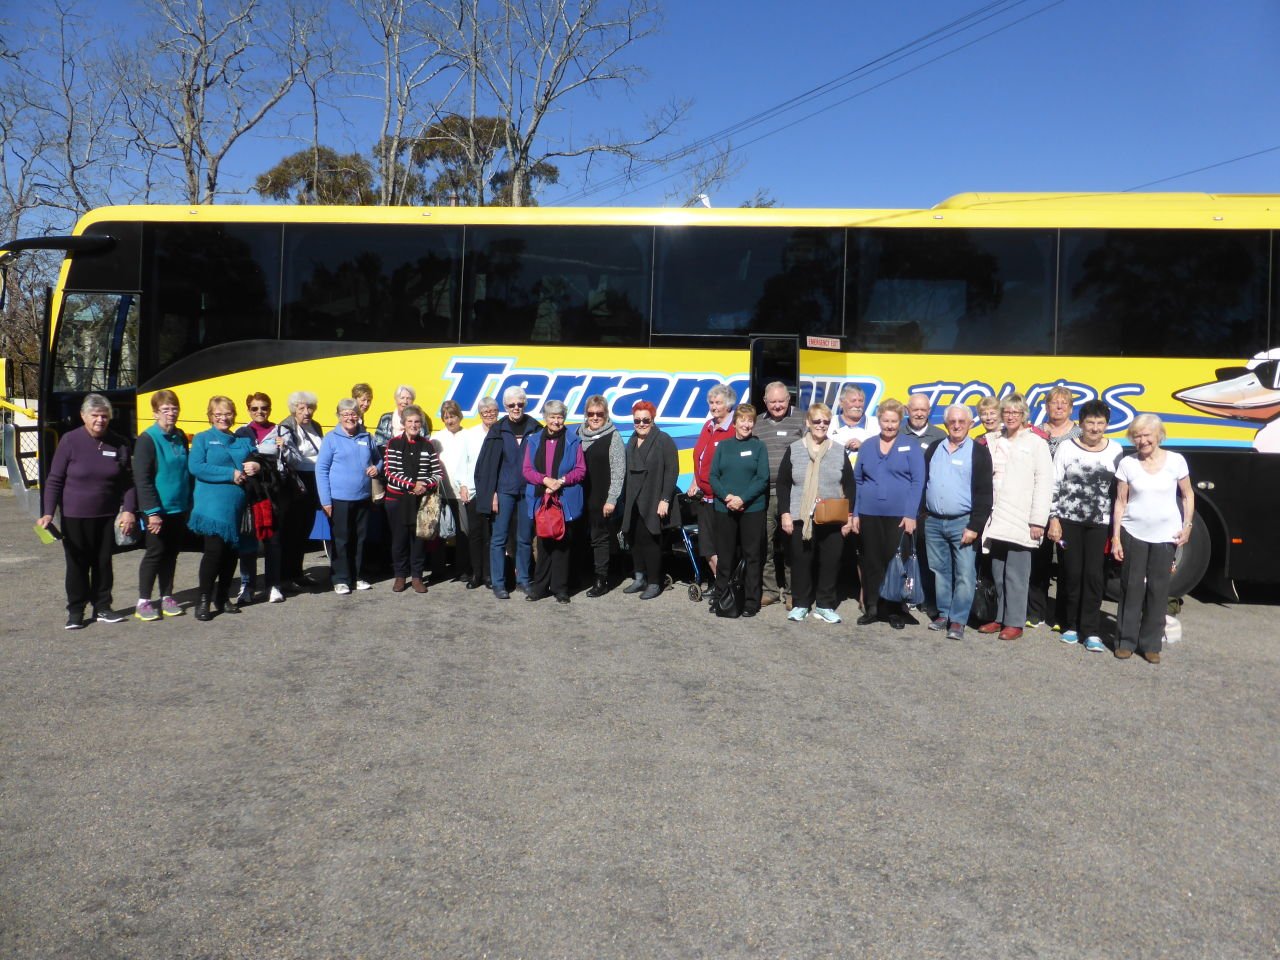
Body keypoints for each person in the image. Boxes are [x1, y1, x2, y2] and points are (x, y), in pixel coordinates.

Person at [39, 394, 137, 629]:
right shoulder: (70, 441)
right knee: (77, 564)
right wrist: (48, 512)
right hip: (75, 516)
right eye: (95, 415)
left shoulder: (119, 442)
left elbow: (128, 482)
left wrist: (129, 511)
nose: (100, 420)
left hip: (106, 515)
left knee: (103, 563)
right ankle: (76, 611)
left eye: (104, 416)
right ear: (83, 416)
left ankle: (103, 607)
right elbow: (55, 479)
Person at [1112, 414, 1194, 664]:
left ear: (1159, 435)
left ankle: (1150, 644)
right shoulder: (1127, 464)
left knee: (1158, 590)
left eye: (1147, 435)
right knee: (1131, 587)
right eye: (1137, 436)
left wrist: (1187, 525)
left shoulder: (1176, 461)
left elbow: (1187, 495)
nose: (1142, 440)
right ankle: (1125, 641)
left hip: (1165, 535)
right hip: (1133, 532)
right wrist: (1116, 537)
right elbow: (1120, 502)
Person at [1047, 399, 1123, 653]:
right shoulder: (1066, 448)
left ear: (1106, 425)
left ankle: (1091, 630)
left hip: (1099, 524)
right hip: (1069, 523)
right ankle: (1070, 625)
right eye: (1090, 422)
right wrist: (1054, 518)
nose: (1094, 428)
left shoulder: (1116, 450)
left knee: (1094, 576)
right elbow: (1054, 484)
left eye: (1100, 423)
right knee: (1071, 573)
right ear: (1081, 424)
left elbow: (1120, 493)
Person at [978, 394, 1053, 641]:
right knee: (998, 572)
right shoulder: (992, 440)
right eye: (1006, 412)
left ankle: (1015, 622)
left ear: (1024, 416)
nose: (1010, 416)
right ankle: (1000, 618)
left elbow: (1044, 482)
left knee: (1017, 574)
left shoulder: (1036, 443)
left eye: (1015, 413)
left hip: (1022, 517)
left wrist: (1038, 520)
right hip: (996, 515)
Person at [776, 402, 856, 624]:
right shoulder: (794, 449)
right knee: (801, 563)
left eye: (826, 421)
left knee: (830, 563)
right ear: (808, 423)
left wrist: (849, 516)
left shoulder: (839, 450)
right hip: (801, 517)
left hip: (832, 517)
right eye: (817, 421)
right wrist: (784, 513)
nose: (821, 425)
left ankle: (825, 605)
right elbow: (783, 484)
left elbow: (849, 485)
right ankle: (801, 604)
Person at [851, 399, 926, 630]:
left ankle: (894, 610)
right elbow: (858, 480)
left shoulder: (910, 445)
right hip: (869, 513)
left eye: (894, 421)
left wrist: (911, 514)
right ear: (879, 420)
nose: (890, 425)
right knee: (871, 561)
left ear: (900, 421)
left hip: (899, 516)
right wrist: (855, 513)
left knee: (895, 562)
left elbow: (917, 481)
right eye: (886, 420)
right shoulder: (867, 445)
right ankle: (872, 608)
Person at [921, 405, 993, 640]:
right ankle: (943, 613)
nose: (957, 425)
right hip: (933, 521)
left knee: (964, 573)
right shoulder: (934, 449)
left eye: (962, 421)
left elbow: (984, 494)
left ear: (971, 423)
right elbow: (924, 483)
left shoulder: (979, 453)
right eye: (952, 421)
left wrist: (975, 526)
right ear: (946, 424)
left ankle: (958, 619)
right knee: (940, 570)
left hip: (963, 522)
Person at [188, 396, 260, 621]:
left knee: (231, 553)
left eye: (227, 413)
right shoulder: (203, 439)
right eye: (218, 414)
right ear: (210, 416)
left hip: (236, 505)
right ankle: (203, 600)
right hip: (211, 505)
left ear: (234, 415)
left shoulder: (241, 440)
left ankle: (222, 597)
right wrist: (230, 474)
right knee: (214, 552)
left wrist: (256, 466)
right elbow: (196, 467)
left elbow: (256, 460)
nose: (223, 418)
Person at [476, 386, 542, 599]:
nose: (516, 408)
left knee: (524, 538)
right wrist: (491, 493)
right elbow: (486, 466)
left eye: (520, 404)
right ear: (505, 406)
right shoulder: (497, 430)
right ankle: (499, 583)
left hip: (528, 491)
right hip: (503, 492)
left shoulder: (535, 427)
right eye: (512, 405)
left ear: (525, 404)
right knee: (499, 538)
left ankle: (523, 580)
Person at [131, 390, 191, 621]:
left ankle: (167, 596)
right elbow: (142, 478)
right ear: (155, 413)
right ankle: (144, 601)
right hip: (157, 510)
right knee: (155, 553)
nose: (171, 413)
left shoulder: (180, 436)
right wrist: (152, 512)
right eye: (165, 410)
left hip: (179, 507)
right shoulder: (148, 439)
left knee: (171, 554)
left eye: (174, 408)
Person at [1029, 385, 1083, 628]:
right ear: (1046, 406)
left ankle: (1062, 616)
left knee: (1066, 563)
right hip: (1039, 502)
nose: (1059, 406)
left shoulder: (1081, 434)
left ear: (1071, 408)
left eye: (1064, 403)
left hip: (1068, 506)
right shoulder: (1036, 432)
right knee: (1037, 559)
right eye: (1054, 402)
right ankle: (1035, 612)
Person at [522, 399, 585, 603]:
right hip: (542, 498)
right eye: (552, 417)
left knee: (562, 545)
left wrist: (562, 481)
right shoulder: (533, 441)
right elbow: (527, 470)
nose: (556, 421)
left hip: (564, 499)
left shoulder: (573, 440)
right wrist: (545, 480)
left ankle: (560, 589)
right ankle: (539, 587)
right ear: (545, 418)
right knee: (543, 544)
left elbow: (580, 470)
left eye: (560, 417)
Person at [709, 403, 769, 617]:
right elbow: (713, 476)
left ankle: (751, 601)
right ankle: (721, 597)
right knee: (725, 556)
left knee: (752, 556)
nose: (746, 424)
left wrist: (742, 498)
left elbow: (762, 478)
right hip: (725, 508)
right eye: (742, 420)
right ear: (734, 423)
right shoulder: (723, 447)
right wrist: (727, 497)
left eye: (750, 420)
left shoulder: (759, 447)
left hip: (752, 509)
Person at [317, 397, 379, 595]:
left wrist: (376, 469)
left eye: (353, 414)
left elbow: (379, 460)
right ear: (339, 417)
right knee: (341, 540)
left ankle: (358, 576)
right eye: (345, 414)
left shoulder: (366, 437)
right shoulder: (331, 439)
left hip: (362, 497)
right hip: (339, 499)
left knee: (360, 539)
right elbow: (321, 470)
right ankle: (341, 578)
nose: (350, 417)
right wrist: (325, 500)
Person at [620, 400, 679, 600]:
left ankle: (654, 582)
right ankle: (639, 578)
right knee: (634, 539)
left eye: (646, 419)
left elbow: (672, 471)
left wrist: (665, 499)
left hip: (653, 497)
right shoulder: (631, 441)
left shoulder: (664, 440)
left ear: (653, 420)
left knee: (650, 541)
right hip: (633, 499)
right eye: (637, 420)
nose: (641, 423)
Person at [382, 404, 441, 593]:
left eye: (417, 421)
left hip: (421, 501)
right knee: (399, 540)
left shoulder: (427, 444)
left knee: (419, 541)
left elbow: (438, 473)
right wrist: (412, 485)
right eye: (410, 421)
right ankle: (400, 576)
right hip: (397, 500)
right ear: (404, 423)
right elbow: (390, 473)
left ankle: (417, 577)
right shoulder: (394, 443)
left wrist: (425, 485)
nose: (414, 425)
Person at [234, 391, 284, 605]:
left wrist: (266, 461)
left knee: (272, 542)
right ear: (248, 410)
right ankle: (247, 585)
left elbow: (283, 466)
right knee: (248, 542)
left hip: (271, 495)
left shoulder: (280, 432)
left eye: (264, 407)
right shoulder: (241, 433)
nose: (260, 411)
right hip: (249, 496)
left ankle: (273, 584)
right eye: (255, 408)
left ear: (270, 409)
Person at [757, 381, 804, 608]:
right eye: (772, 402)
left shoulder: (802, 419)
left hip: (793, 495)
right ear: (765, 402)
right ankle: (770, 590)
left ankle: (793, 592)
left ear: (789, 400)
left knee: (792, 546)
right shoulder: (757, 422)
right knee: (764, 545)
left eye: (781, 401)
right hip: (764, 495)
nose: (777, 405)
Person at [687, 383, 737, 592]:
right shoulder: (707, 425)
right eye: (711, 402)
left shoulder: (733, 429)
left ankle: (727, 585)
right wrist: (694, 481)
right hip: (704, 497)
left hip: (722, 498)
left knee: (723, 545)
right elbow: (699, 458)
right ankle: (720, 584)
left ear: (728, 405)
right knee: (707, 546)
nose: (713, 406)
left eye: (718, 402)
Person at [902, 392, 947, 618]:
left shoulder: (940, 435)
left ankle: (929, 599)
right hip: (901, 505)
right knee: (901, 552)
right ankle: (902, 596)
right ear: (907, 410)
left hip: (928, 508)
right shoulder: (897, 433)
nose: (919, 413)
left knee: (928, 555)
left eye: (924, 409)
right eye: (915, 409)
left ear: (929, 411)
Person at [276, 391, 325, 591]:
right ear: (294, 409)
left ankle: (298, 573)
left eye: (310, 407)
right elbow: (288, 457)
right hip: (296, 483)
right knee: (291, 530)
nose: (307, 412)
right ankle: (285, 577)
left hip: (314, 481)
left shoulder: (316, 426)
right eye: (302, 408)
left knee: (305, 528)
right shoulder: (286, 426)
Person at [578, 394, 625, 597]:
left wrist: (612, 499)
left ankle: (601, 579)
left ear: (606, 414)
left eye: (599, 414)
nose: (595, 417)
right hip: (580, 497)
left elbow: (618, 471)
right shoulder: (578, 435)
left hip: (601, 498)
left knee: (600, 538)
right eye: (591, 414)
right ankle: (581, 574)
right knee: (579, 537)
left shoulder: (613, 436)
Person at [460, 397, 499, 589]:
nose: (489, 414)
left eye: (492, 411)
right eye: (485, 412)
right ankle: (476, 574)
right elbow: (463, 461)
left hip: (494, 492)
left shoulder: (502, 432)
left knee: (490, 535)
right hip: (474, 491)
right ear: (480, 414)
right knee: (475, 534)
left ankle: (489, 575)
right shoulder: (469, 434)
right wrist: (463, 485)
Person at [434, 400, 472, 583]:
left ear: (459, 416)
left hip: (461, 492)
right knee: (438, 532)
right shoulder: (437, 438)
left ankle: (463, 568)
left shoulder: (468, 436)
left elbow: (470, 463)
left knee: (463, 532)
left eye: (453, 416)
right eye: (446, 417)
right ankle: (438, 568)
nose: (450, 421)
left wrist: (466, 485)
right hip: (440, 491)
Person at [374, 385, 415, 454]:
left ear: (412, 401)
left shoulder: (418, 420)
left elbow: (424, 443)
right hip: (388, 460)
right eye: (402, 398)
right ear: (396, 399)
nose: (405, 401)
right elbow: (378, 443)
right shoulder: (386, 419)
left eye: (408, 398)